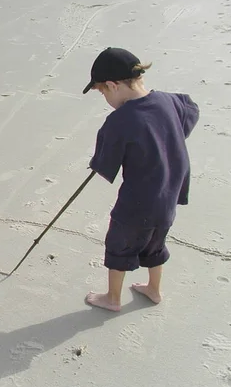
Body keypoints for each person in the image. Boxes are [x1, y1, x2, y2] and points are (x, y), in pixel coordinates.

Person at [82, 47, 200, 312]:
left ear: (112, 86)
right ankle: (154, 290)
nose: (104, 97)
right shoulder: (172, 101)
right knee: (154, 246)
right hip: (169, 198)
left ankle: (113, 298)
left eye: (102, 92)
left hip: (137, 204)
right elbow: (190, 111)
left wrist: (97, 162)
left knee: (119, 247)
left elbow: (105, 164)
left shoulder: (120, 121)